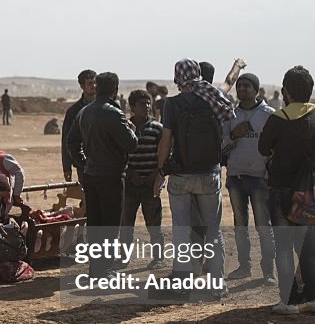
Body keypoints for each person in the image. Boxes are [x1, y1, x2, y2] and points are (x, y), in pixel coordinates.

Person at [258, 66, 315, 315]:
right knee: (307, 245)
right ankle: (313, 299)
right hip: (311, 192)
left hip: (282, 190)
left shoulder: (278, 118)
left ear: (285, 91)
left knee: (283, 246)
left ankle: (289, 301)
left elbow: (263, 148)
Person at [154, 59, 234, 298]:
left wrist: (161, 170)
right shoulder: (213, 98)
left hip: (181, 175)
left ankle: (183, 283)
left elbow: (166, 140)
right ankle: (218, 284)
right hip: (209, 173)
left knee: (181, 230)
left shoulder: (172, 104)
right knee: (213, 230)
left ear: (177, 78)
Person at [66, 71, 138, 276]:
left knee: (96, 223)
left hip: (91, 175)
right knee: (110, 225)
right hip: (111, 176)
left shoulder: (85, 112)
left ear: (97, 87)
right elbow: (131, 144)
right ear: (115, 90)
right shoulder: (114, 113)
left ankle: (95, 268)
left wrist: (83, 163)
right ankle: (104, 269)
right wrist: (132, 128)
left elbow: (72, 142)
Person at [222, 73, 276, 285]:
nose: (242, 89)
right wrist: (234, 135)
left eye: (247, 86)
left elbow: (275, 149)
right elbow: (222, 147)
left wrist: (268, 174)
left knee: (264, 226)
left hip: (259, 179)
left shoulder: (269, 114)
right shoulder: (230, 115)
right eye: (240, 85)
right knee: (240, 225)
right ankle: (244, 267)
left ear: (256, 90)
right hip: (236, 177)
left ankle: (268, 271)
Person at [122, 89, 164, 269]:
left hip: (150, 185)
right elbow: (121, 155)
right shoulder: (125, 127)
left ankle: (158, 258)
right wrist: (131, 174)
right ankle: (123, 258)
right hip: (130, 185)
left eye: (148, 103)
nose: (146, 107)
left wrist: (154, 175)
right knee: (126, 224)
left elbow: (163, 154)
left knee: (154, 223)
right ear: (132, 107)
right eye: (141, 104)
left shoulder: (157, 128)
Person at [61, 69, 97, 183]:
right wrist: (67, 167)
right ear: (82, 86)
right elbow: (67, 140)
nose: (94, 86)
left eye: (95, 82)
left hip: (104, 162)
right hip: (83, 163)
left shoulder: (106, 107)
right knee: (87, 197)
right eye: (90, 83)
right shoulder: (74, 111)